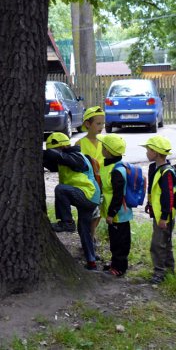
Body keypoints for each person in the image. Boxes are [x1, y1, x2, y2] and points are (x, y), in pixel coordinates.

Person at [43, 132, 101, 270]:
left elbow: (58, 157)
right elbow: (52, 163)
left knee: (60, 189)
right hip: (87, 197)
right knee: (84, 230)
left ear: (62, 147)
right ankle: (91, 262)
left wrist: (47, 152)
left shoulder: (77, 157)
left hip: (87, 195)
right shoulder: (64, 160)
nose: (54, 153)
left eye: (55, 149)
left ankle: (67, 223)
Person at [140, 135, 176, 284]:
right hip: (157, 212)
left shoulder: (166, 172)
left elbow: (168, 196)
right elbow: (152, 189)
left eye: (148, 150)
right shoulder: (152, 167)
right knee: (164, 242)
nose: (146, 153)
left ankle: (159, 273)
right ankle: (169, 270)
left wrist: (163, 217)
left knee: (158, 244)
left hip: (164, 215)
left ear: (155, 152)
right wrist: (149, 204)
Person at [97, 134, 132, 277]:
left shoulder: (117, 170)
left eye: (103, 146)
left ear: (109, 151)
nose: (101, 148)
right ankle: (115, 264)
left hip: (119, 214)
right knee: (114, 240)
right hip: (115, 212)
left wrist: (111, 213)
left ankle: (119, 268)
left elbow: (118, 195)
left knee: (120, 242)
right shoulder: (110, 165)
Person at [74, 106, 106, 251]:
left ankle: (91, 235)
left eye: (102, 123)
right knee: (87, 213)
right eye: (98, 124)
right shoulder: (80, 144)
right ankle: (86, 238)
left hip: (102, 183)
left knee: (99, 212)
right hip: (88, 185)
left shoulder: (104, 143)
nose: (101, 127)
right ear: (87, 124)